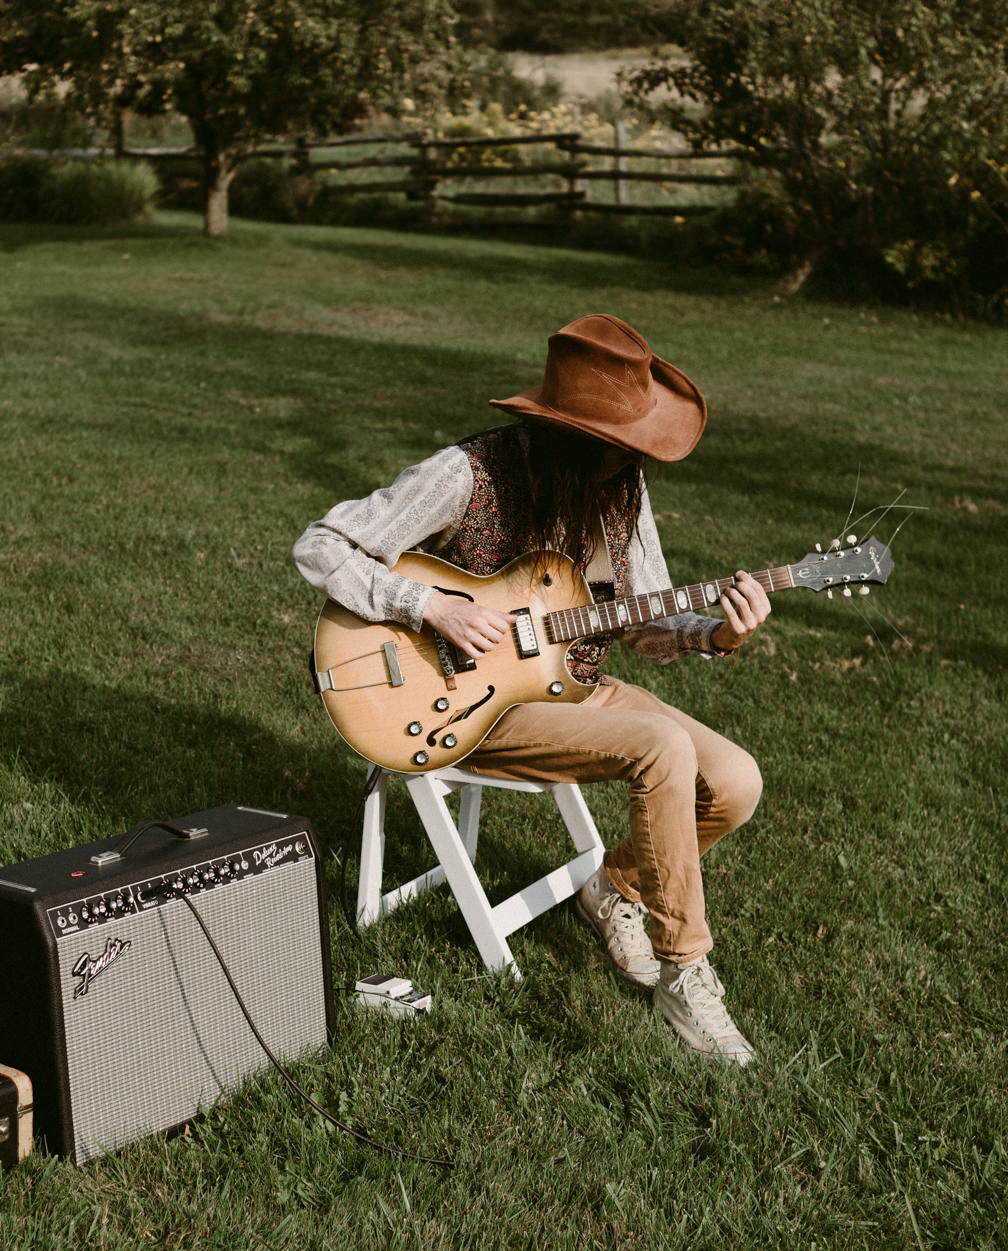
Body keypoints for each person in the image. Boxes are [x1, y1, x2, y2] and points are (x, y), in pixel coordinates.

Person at [292, 314, 773, 1065]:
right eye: (621, 448)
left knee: (737, 781)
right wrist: (431, 605)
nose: (634, 463)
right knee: (662, 747)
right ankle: (683, 973)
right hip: (481, 708)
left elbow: (642, 617)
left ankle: (613, 887)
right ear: (571, 435)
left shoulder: (624, 489)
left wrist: (714, 634)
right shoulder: (468, 472)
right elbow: (321, 543)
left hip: (576, 686)